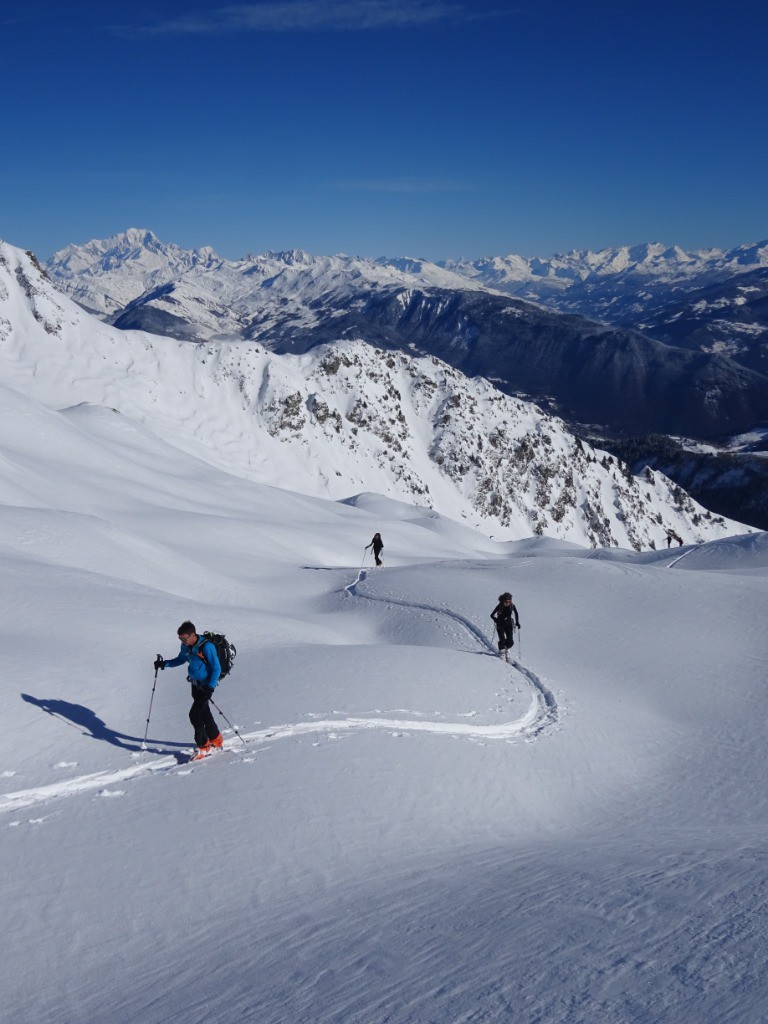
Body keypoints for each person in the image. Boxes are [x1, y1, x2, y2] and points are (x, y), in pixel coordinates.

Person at [155, 621, 223, 758]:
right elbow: (180, 660)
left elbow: (217, 668)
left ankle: (203, 746)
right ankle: (216, 738)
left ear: (193, 634)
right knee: (204, 712)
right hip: (194, 684)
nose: (182, 641)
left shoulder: (207, 646)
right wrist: (164, 664)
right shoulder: (186, 646)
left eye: (184, 638)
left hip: (206, 686)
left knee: (194, 714)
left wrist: (211, 687)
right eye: (180, 639)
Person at [490, 592, 521, 662]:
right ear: (503, 601)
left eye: (509, 601)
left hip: (509, 624)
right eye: (506, 601)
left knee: (510, 642)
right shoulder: (499, 606)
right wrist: (496, 620)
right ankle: (502, 653)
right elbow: (491, 615)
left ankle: (505, 650)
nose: (507, 603)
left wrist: (517, 622)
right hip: (500, 624)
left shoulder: (512, 606)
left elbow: (516, 613)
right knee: (502, 640)